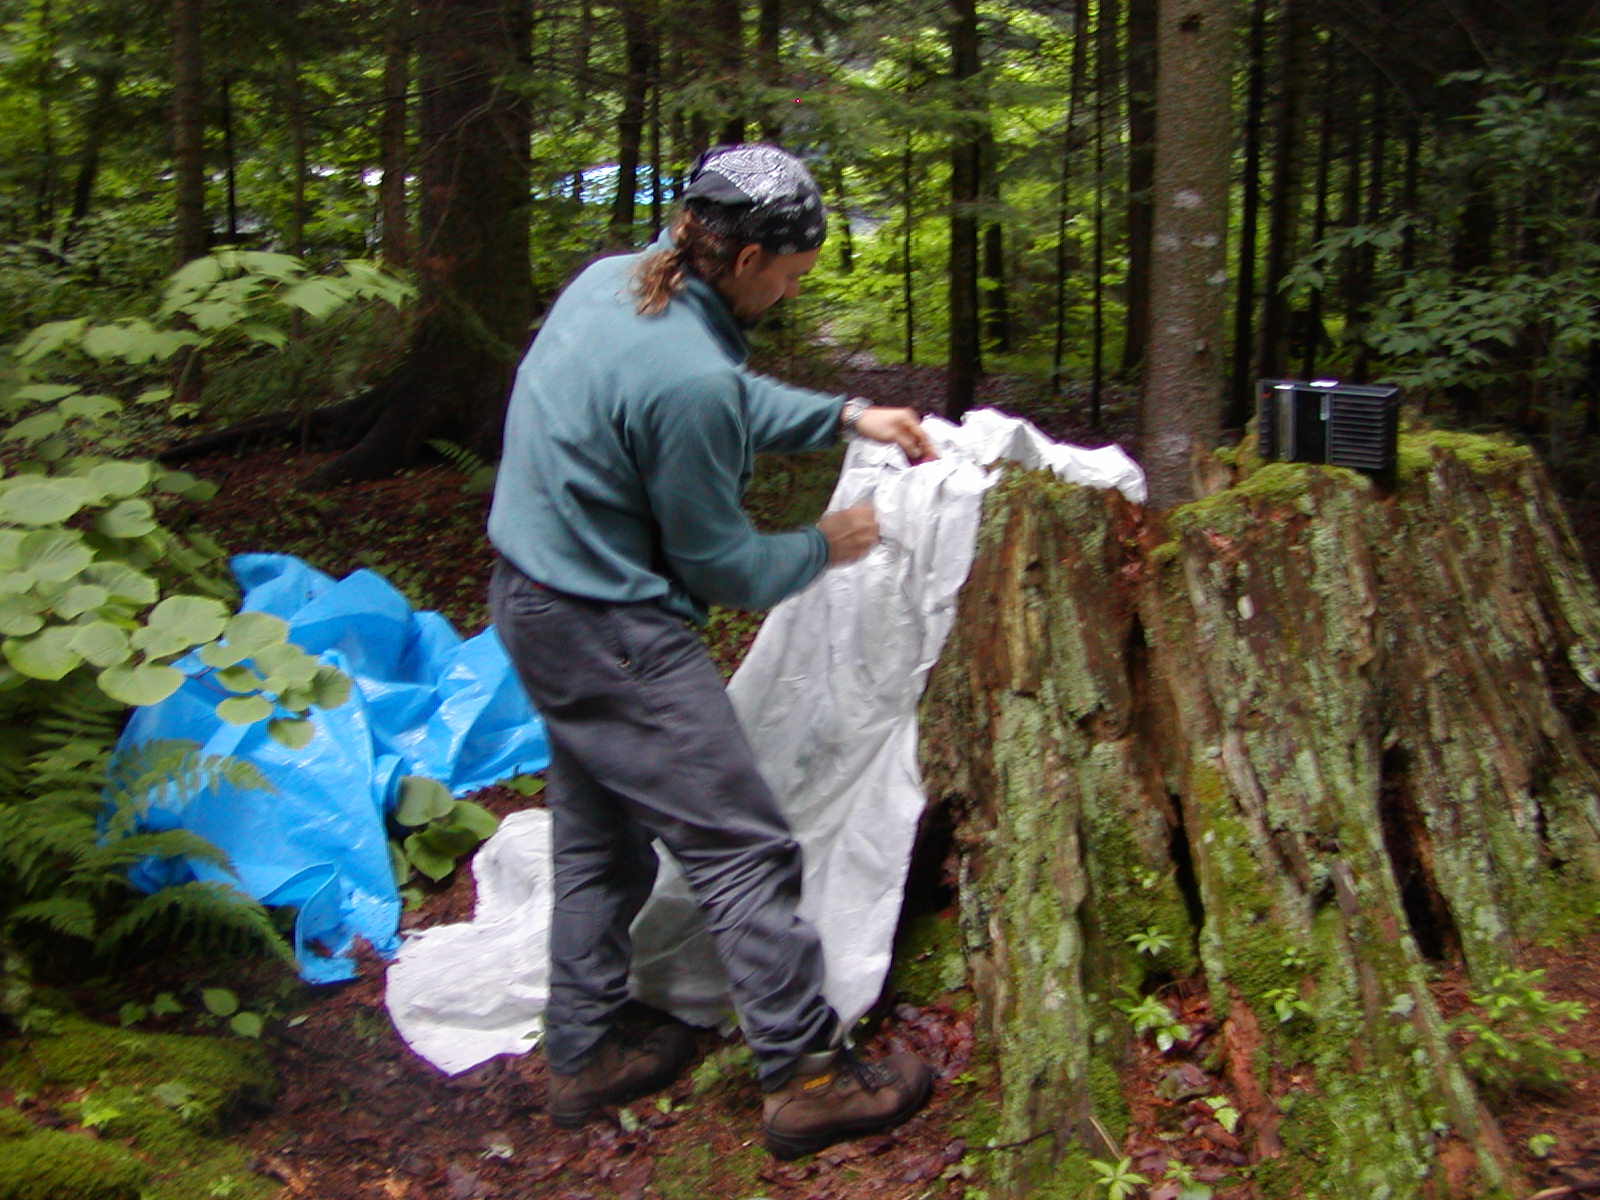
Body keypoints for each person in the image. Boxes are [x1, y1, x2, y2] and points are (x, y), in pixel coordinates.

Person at [486, 143, 937, 1159]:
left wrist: (842, 414)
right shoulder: (686, 370)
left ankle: (583, 1054)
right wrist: (829, 543)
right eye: (788, 273)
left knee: (599, 839)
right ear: (740, 259)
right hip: (610, 629)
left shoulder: (615, 283)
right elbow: (722, 561)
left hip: (532, 600)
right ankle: (808, 1078)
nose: (789, 289)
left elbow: (713, 399)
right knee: (740, 847)